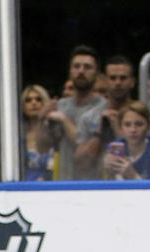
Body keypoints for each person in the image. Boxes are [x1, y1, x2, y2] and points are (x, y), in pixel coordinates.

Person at [45, 45, 106, 181]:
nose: (81, 71)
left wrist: (64, 120)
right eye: (76, 66)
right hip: (63, 181)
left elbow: (85, 149)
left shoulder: (104, 108)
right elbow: (42, 146)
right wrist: (41, 118)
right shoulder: (60, 105)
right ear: (70, 71)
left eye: (87, 67)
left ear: (97, 73)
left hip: (94, 183)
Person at [74, 55, 136, 179]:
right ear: (104, 81)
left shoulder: (143, 115)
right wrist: (99, 134)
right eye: (112, 78)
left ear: (132, 82)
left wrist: (119, 132)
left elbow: (149, 155)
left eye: (123, 78)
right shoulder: (89, 117)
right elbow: (82, 163)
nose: (117, 83)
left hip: (135, 184)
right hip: (99, 187)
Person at [103, 101, 150, 180]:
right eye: (127, 125)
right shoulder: (112, 148)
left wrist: (132, 175)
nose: (133, 130)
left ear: (149, 127)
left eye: (139, 124)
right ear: (120, 128)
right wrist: (109, 174)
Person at [22, 84, 55, 180]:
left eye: (38, 99)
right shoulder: (18, 134)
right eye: (28, 100)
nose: (34, 103)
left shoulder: (54, 130)